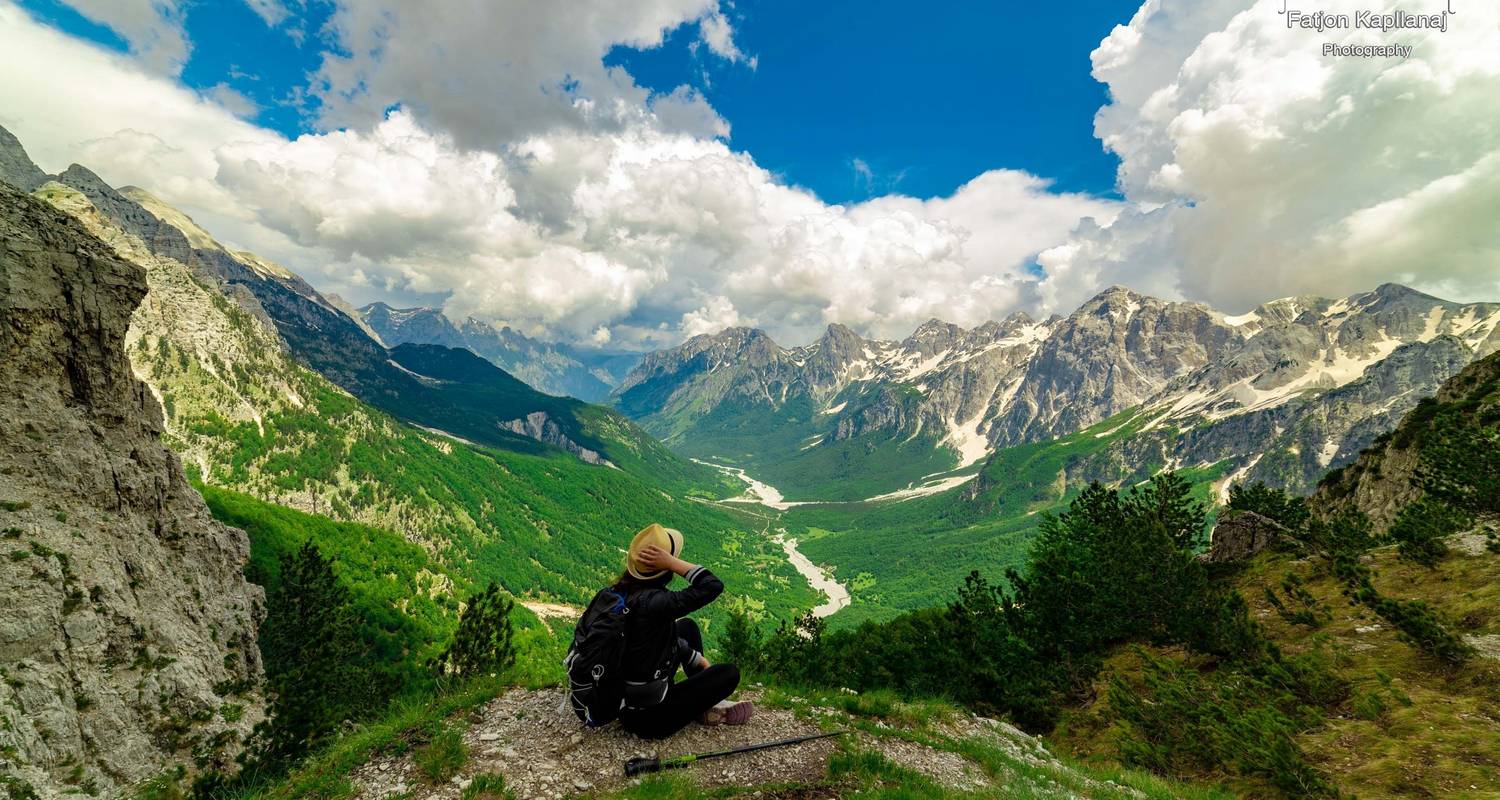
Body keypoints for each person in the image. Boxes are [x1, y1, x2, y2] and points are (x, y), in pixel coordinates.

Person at [614, 523, 753, 739]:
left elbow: (649, 641)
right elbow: (712, 585)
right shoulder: (658, 603)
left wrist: (692, 656)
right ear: (663, 569)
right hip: (650, 719)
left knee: (686, 626)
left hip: (624, 697)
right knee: (729, 673)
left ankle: (701, 703)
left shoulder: (618, 593)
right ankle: (704, 705)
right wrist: (672, 562)